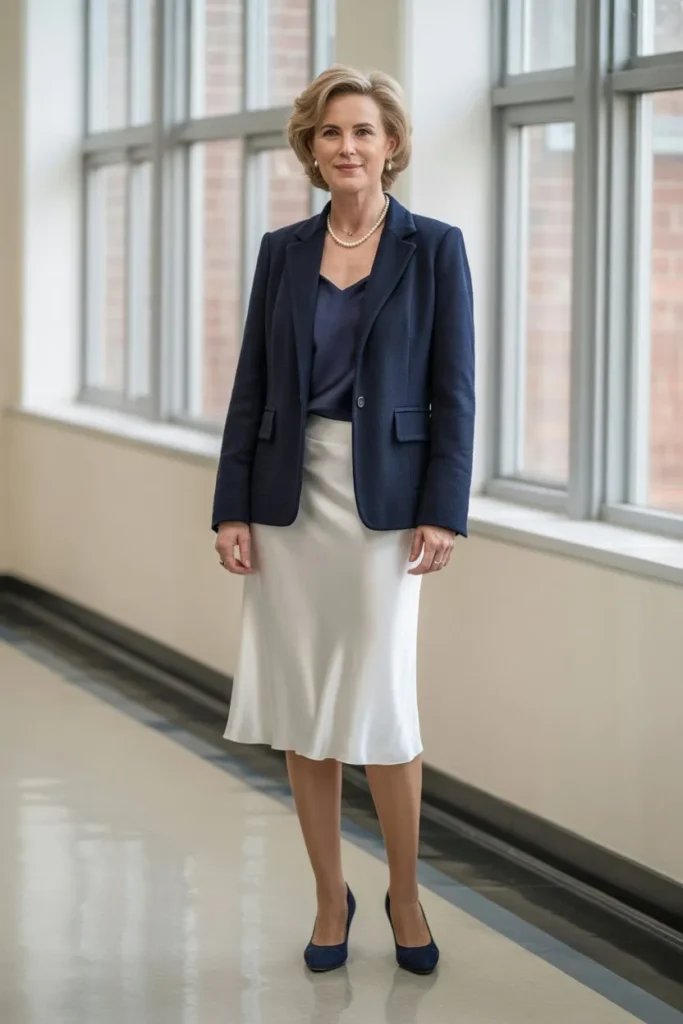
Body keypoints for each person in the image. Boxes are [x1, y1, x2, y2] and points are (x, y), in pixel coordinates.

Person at [212, 65, 475, 975]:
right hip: (289, 495)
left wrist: (443, 509)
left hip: (386, 508)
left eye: (363, 132)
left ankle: (404, 892)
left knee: (383, 708)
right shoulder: (281, 251)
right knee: (303, 709)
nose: (347, 148)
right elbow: (250, 386)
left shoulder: (434, 248)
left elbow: (454, 394)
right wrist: (232, 506)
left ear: (391, 144)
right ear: (311, 148)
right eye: (331, 134)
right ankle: (331, 896)